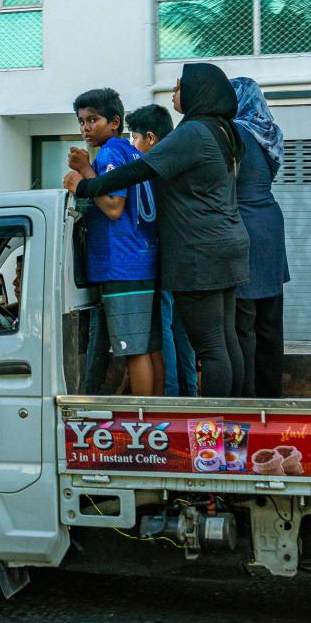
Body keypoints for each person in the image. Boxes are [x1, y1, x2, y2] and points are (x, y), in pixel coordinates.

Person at [67, 63, 247, 398]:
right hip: (226, 244)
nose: (175, 92)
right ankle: (232, 423)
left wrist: (84, 185)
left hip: (199, 251)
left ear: (199, 92)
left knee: (209, 346)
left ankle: (216, 429)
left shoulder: (193, 132)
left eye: (180, 86)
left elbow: (136, 172)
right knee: (224, 339)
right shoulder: (225, 132)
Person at [72, 88, 163, 397]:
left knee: (132, 350)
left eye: (93, 120)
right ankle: (156, 415)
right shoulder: (134, 152)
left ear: (114, 122)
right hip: (144, 260)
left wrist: (83, 180)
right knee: (149, 348)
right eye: (81, 121)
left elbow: (113, 207)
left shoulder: (111, 152)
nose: (85, 128)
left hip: (120, 263)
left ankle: (144, 422)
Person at [128, 103, 197, 397]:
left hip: (165, 257)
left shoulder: (155, 166)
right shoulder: (181, 158)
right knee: (183, 329)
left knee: (164, 326)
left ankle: (169, 394)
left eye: (135, 137)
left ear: (151, 138)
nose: (133, 144)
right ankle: (189, 393)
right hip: (190, 256)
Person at [231, 77, 289, 397]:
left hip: (246, 224)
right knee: (270, 322)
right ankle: (273, 396)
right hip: (270, 223)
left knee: (244, 324)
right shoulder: (270, 131)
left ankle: (250, 401)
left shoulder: (235, 132)